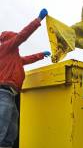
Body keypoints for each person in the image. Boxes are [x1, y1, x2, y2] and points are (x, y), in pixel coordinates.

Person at [0, 8, 50, 148]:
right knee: (1, 131)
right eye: (15, 40)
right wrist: (38, 20)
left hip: (11, 96)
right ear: (10, 40)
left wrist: (41, 54)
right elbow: (22, 35)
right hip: (3, 94)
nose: (17, 43)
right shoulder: (6, 48)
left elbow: (26, 59)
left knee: (11, 133)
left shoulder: (13, 56)